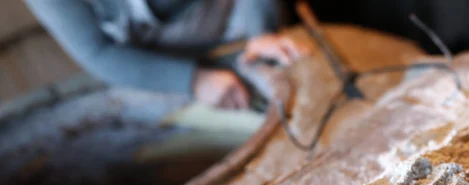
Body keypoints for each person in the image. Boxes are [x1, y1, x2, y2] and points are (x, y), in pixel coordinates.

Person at [25, 0, 310, 109]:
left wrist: (261, 30)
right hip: (161, 66)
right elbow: (96, 51)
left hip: (237, 20)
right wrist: (193, 81)